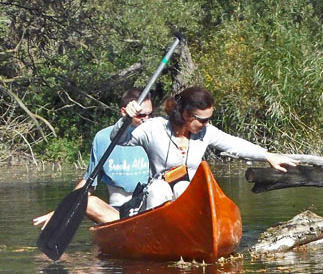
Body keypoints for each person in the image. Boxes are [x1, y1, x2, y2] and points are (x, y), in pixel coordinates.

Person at [116, 86, 298, 210]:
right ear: (185, 114)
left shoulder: (206, 131)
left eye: (209, 119)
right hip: (158, 195)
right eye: (202, 119)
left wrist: (266, 155)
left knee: (184, 188)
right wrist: (127, 120)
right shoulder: (153, 127)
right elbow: (120, 139)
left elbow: (234, 144)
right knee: (160, 190)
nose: (206, 124)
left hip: (189, 195)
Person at [33, 89, 153, 228]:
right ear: (124, 112)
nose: (147, 120)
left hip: (148, 208)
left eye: (150, 114)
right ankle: (128, 228)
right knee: (88, 202)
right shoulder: (102, 138)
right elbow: (88, 184)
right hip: (116, 214)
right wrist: (60, 213)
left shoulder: (154, 134)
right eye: (141, 115)